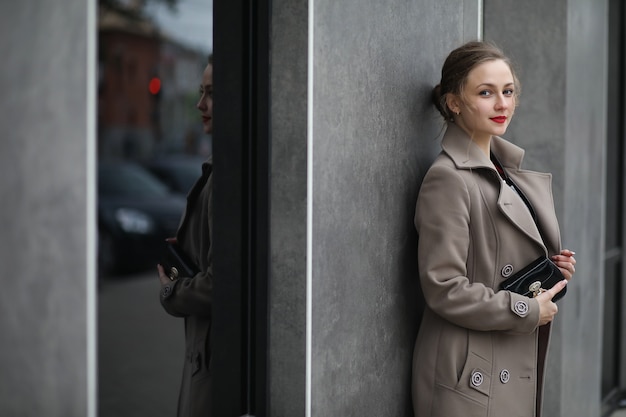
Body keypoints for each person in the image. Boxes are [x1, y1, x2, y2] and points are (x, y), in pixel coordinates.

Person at [412, 41, 576, 417]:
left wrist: (545, 271)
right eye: (485, 93)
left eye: (508, 91)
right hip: (471, 373)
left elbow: (495, 256)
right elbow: (443, 287)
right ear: (454, 102)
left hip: (496, 358)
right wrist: (526, 309)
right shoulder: (448, 179)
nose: (502, 104)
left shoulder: (502, 169)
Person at [157, 55, 214, 417]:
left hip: (212, 362)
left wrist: (171, 291)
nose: (200, 104)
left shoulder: (229, 175)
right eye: (199, 92)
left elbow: (223, 281)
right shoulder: (225, 168)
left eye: (211, 93)